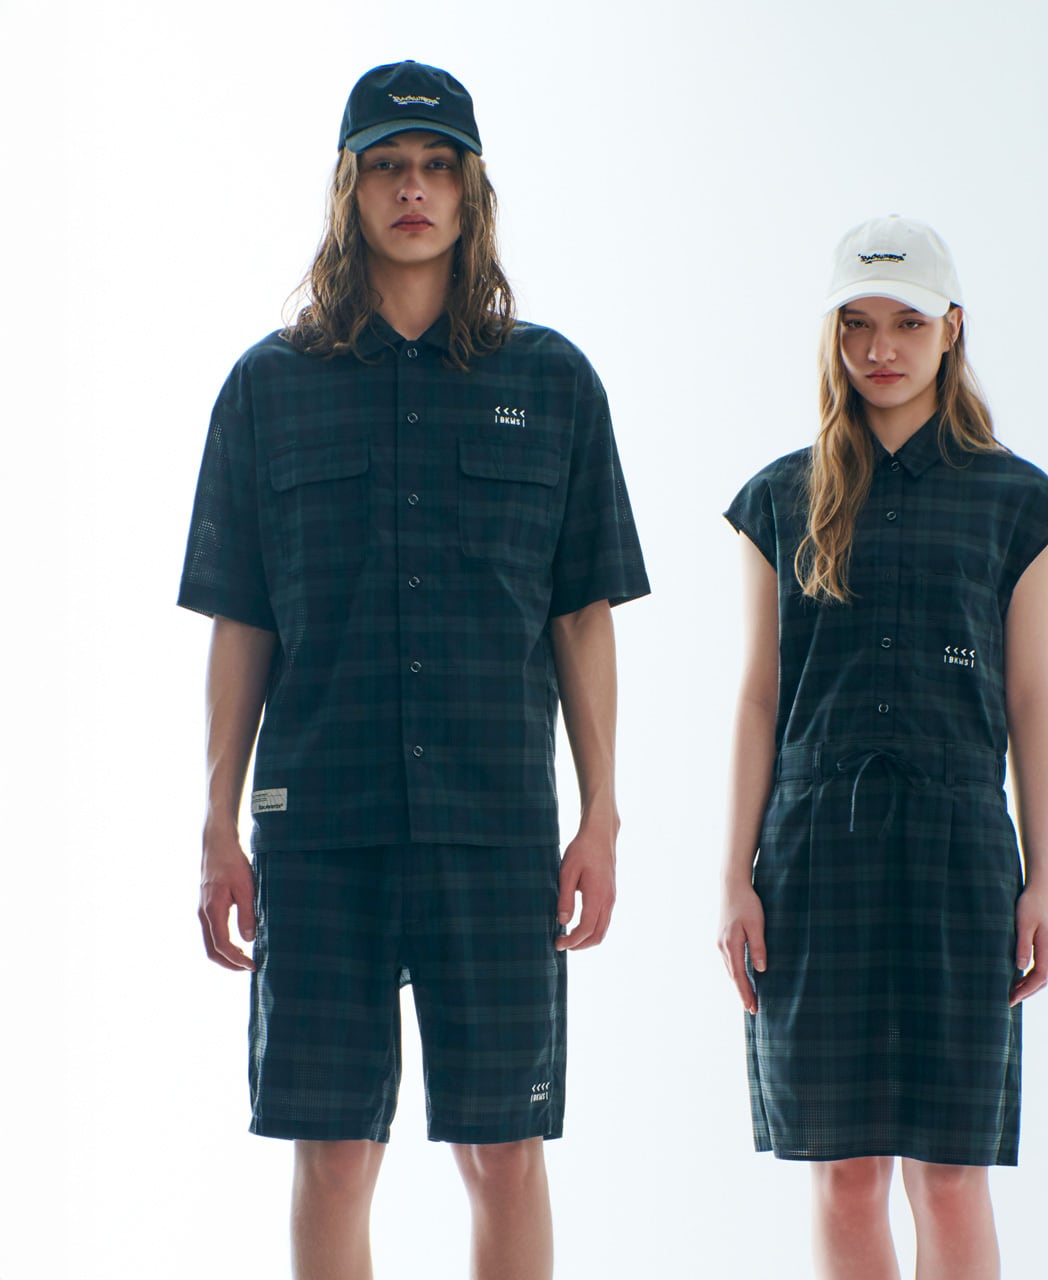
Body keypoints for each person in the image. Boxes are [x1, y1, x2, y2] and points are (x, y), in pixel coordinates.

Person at [178, 60, 649, 1280]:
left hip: (494, 827)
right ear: (349, 189)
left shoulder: (552, 383)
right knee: (335, 1151)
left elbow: (581, 614)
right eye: (387, 166)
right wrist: (217, 822)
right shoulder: (267, 388)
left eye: (437, 166)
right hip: (317, 828)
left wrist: (600, 813)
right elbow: (240, 623)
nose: (413, 189)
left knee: (502, 1148)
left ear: (470, 191)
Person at [718, 215, 1048, 1279]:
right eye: (858, 324)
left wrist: (1042, 877)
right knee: (843, 1173)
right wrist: (733, 877)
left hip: (959, 853)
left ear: (951, 328)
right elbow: (758, 698)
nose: (881, 348)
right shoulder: (778, 498)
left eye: (908, 323)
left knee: (951, 1173)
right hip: (812, 853)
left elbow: (1029, 697)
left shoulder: (1014, 501)